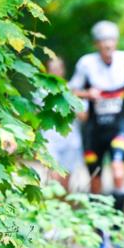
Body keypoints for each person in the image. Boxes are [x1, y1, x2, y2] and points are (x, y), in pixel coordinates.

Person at [68, 21, 124, 248]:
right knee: (96, 181)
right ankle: (99, 232)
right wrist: (86, 94)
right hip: (94, 130)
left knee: (119, 170)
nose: (108, 46)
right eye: (103, 43)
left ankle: (117, 227)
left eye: (111, 41)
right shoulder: (86, 64)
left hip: (118, 126)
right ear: (96, 45)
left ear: (116, 42)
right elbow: (71, 91)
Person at [43, 56, 83, 191]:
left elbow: (84, 115)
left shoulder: (73, 90)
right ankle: (52, 209)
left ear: (63, 70)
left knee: (66, 183)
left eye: (58, 69)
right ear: (47, 71)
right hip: (50, 140)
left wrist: (73, 100)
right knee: (53, 177)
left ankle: (62, 210)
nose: (55, 72)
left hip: (71, 140)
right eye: (52, 69)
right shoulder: (41, 90)